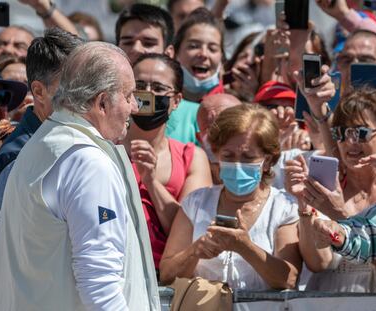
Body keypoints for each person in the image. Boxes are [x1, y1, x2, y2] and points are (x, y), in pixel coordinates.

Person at [0, 41, 160, 310]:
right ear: (102, 102)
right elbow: (100, 285)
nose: (135, 106)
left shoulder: (39, 146)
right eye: (129, 95)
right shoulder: (87, 162)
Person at [160, 104, 302, 291]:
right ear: (216, 154)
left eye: (248, 157)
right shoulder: (196, 203)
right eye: (228, 155)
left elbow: (289, 279)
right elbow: (167, 275)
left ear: (267, 161)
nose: (237, 164)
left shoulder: (283, 207)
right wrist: (195, 251)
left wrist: (245, 247)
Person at [286, 82, 376, 293]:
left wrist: (341, 215)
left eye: (361, 133)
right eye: (341, 132)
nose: (350, 142)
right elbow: (318, 263)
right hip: (332, 301)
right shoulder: (326, 187)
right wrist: (304, 207)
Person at [122, 53, 212, 272]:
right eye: (140, 85)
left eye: (159, 88)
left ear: (177, 101)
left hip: (163, 278)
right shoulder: (104, 148)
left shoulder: (191, 157)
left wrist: (151, 182)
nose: (149, 94)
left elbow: (188, 232)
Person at [0, 28, 84, 223]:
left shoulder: (70, 138)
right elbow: (22, 244)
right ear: (38, 91)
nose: (84, 97)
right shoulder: (19, 158)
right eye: (72, 88)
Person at [312, 154, 376, 266]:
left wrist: (338, 214)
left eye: (362, 135)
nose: (351, 141)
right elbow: (371, 238)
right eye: (340, 136)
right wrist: (338, 233)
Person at [174, 7, 224, 102]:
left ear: (222, 56)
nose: (203, 54)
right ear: (175, 53)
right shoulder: (160, 104)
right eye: (194, 46)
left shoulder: (232, 107)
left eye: (212, 49)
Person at [196, 93, 242, 184]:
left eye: (227, 126)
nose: (219, 137)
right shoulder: (193, 174)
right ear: (199, 139)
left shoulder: (268, 166)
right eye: (209, 129)